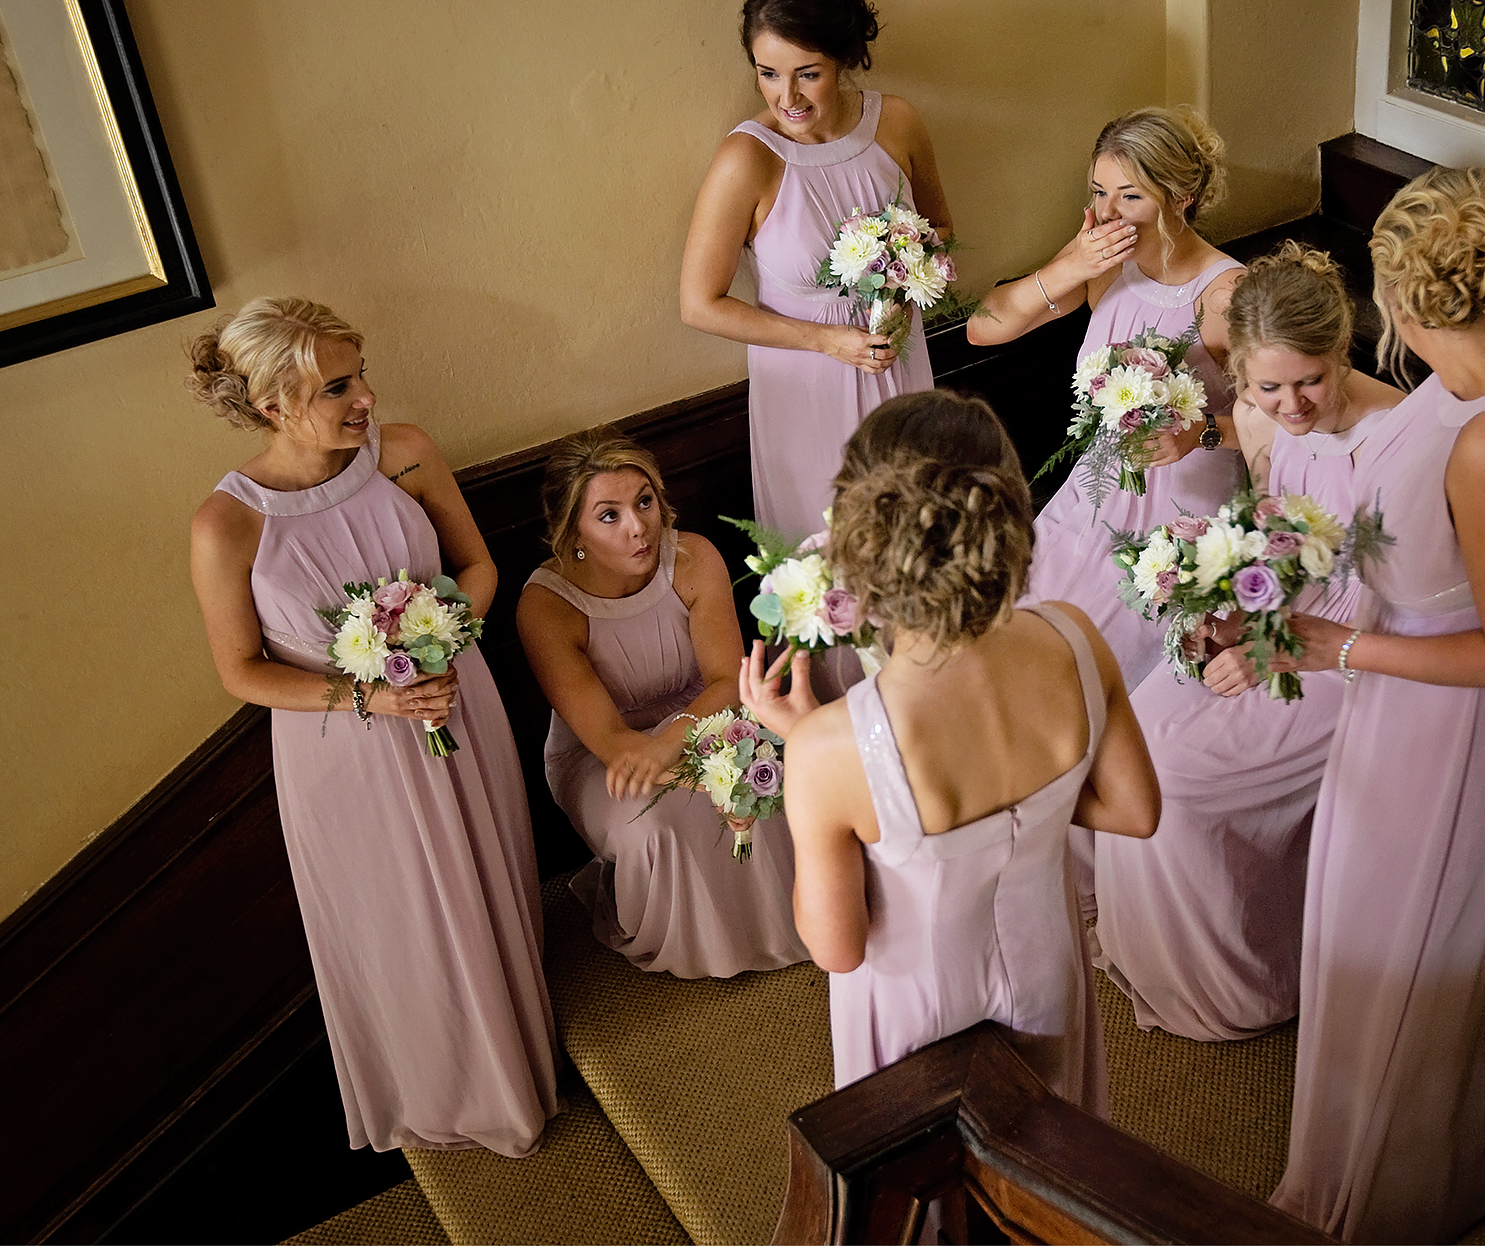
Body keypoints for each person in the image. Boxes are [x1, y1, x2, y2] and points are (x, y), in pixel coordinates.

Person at [1269, 168, 1485, 1243]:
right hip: (1420, 693)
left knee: (1411, 931)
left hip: (1466, 722)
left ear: (1398, 299)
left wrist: (1340, 645)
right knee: (1434, 922)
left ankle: (1388, 1185)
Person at [186, 298, 557, 1156]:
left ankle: (523, 1042)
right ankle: (452, 1087)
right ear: (275, 403)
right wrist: (371, 698)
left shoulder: (408, 452)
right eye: (339, 386)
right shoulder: (227, 524)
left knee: (488, 867)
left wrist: (442, 638)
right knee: (401, 915)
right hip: (345, 751)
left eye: (362, 374)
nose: (366, 399)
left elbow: (477, 566)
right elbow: (240, 670)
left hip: (456, 702)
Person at [741, 389, 1160, 1112]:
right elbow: (1134, 808)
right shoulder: (1073, 636)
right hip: (1047, 975)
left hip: (915, 1016)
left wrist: (816, 749)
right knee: (1052, 1152)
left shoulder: (828, 746)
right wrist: (1032, 800)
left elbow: (836, 946)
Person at [1093, 245, 1403, 1042]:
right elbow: (1272, 533)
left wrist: (1277, 650)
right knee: (1133, 735)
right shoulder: (1262, 417)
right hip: (1280, 608)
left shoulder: (1399, 438)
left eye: (1310, 380)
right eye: (1266, 387)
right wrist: (1221, 606)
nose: (1290, 404)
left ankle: (1248, 981)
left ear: (1342, 351)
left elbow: (1411, 597)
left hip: (1361, 648)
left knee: (1184, 783)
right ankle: (1161, 960)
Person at [516, 428, 809, 977]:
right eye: (609, 515)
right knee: (657, 823)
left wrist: (686, 746)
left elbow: (726, 679)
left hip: (708, 716)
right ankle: (706, 944)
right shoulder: (545, 606)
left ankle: (787, 918)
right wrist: (683, 773)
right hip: (600, 751)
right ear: (572, 530)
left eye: (644, 502)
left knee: (766, 782)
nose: (638, 528)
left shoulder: (694, 558)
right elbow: (611, 740)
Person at [968, 106, 1243, 689]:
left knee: (1089, 673)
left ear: (1181, 195)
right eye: (1099, 192)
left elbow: (1285, 423)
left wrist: (1200, 431)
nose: (1109, 214)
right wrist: (1070, 264)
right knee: (1015, 641)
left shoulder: (1225, 295)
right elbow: (983, 329)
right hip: (1093, 501)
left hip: (1180, 517)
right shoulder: (1102, 267)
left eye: (1130, 197)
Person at [681, 0, 953, 544]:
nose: (788, 96)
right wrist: (829, 340)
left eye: (808, 74)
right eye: (768, 74)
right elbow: (698, 304)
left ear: (844, 60)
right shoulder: (746, 160)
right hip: (805, 386)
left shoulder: (897, 123)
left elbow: (940, 236)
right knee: (832, 562)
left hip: (898, 362)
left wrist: (905, 298)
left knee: (916, 540)